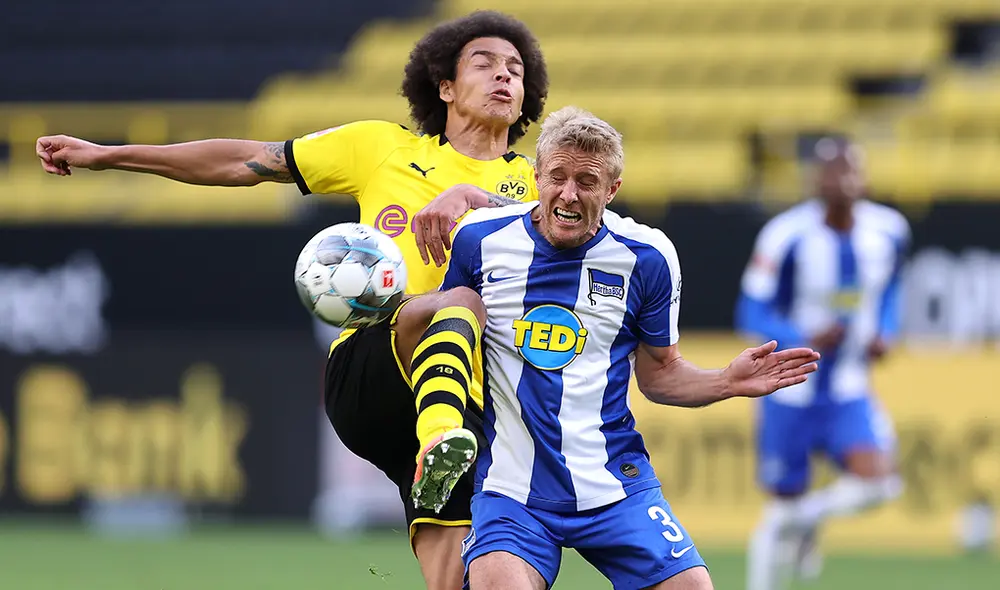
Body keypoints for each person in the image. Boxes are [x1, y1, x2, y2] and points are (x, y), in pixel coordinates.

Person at [34, 11, 549, 589]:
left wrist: (476, 201)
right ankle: (437, 437)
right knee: (458, 303)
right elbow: (244, 161)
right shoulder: (382, 148)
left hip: (477, 392)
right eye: (485, 64)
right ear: (446, 86)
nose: (505, 76)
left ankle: (439, 451)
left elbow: (584, 258)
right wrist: (107, 155)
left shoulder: (539, 187)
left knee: (457, 575)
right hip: (373, 369)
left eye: (516, 69)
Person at [433, 106, 821, 590]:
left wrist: (726, 381)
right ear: (536, 176)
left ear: (612, 190)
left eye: (586, 181)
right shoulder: (479, 240)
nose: (568, 194)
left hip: (614, 484)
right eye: (556, 176)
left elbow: (659, 374)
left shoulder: (647, 257)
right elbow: (449, 339)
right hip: (513, 489)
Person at [735, 137, 909, 590]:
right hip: (790, 390)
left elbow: (890, 290)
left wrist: (885, 330)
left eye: (851, 170)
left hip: (849, 388)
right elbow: (750, 310)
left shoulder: (889, 230)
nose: (843, 180)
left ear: (865, 177)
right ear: (816, 179)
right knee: (779, 510)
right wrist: (800, 339)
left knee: (879, 484)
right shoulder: (786, 235)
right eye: (833, 171)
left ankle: (808, 519)